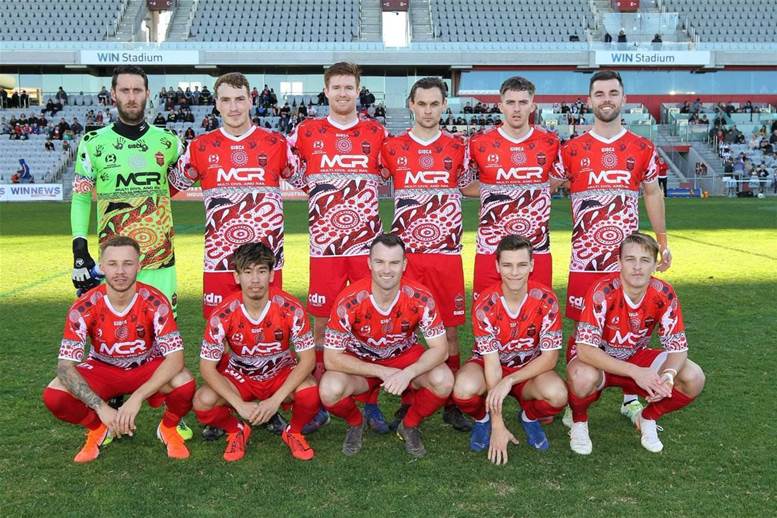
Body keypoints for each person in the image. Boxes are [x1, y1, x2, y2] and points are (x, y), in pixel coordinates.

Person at [552, 70, 671, 426]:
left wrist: (662, 243)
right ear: (589, 100)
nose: (606, 99)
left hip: (628, 262)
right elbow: (541, 185)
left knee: (631, 327)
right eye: (599, 93)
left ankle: (632, 397)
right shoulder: (570, 150)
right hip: (585, 262)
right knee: (583, 331)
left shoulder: (641, 147)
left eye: (613, 93)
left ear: (623, 98)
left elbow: (652, 193)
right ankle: (579, 400)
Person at [287, 62, 388, 432]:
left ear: (358, 91)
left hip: (366, 249)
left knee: (368, 322)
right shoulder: (305, 132)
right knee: (320, 324)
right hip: (325, 249)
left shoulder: (377, 132)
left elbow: (389, 173)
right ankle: (320, 400)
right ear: (326, 91)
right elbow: (293, 173)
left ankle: (370, 399)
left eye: (350, 87)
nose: (343, 93)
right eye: (337, 87)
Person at [41, 236, 196, 463]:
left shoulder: (155, 301)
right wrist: (101, 409)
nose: (120, 271)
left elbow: (175, 359)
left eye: (128, 263)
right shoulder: (84, 306)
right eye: (112, 264)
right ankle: (97, 428)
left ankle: (168, 428)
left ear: (139, 266)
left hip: (145, 366)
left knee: (185, 383)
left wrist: (136, 398)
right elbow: (65, 367)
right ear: (102, 267)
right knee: (54, 395)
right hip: (103, 369)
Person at [381, 76, 473, 433]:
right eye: (422, 104)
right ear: (411, 105)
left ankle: (450, 402)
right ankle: (409, 400)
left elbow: (469, 187)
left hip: (446, 254)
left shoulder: (458, 148)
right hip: (408, 257)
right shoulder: (392, 147)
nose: (428, 110)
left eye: (435, 104)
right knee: (404, 331)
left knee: (449, 333)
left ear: (444, 106)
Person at [566, 232, 705, 454]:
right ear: (619, 262)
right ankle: (579, 421)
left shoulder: (664, 293)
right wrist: (635, 372)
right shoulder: (602, 291)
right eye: (630, 259)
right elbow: (585, 350)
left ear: (654, 265)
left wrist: (668, 376)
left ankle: (647, 417)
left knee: (694, 377)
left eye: (645, 260)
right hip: (598, 360)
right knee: (582, 377)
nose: (637, 267)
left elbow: (678, 349)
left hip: (635, 355)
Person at [319, 234, 454, 458]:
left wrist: (407, 373)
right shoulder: (349, 300)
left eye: (394, 262)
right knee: (329, 389)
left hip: (405, 358)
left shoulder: (420, 297)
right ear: (369, 263)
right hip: (362, 363)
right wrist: (383, 372)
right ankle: (356, 422)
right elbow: (332, 359)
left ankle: (409, 424)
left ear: (404, 265)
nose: (387, 270)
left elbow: (441, 349)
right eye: (380, 262)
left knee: (444, 380)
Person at [70, 65, 184, 313]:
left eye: (137, 90)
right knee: (115, 336)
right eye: (124, 90)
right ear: (113, 94)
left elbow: (193, 177)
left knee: (164, 338)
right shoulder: (92, 143)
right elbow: (80, 196)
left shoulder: (170, 142)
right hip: (114, 262)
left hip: (159, 259)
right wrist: (79, 248)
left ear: (147, 93)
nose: (131, 97)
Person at [192, 243, 320, 461]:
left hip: (279, 374)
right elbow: (206, 367)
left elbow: (308, 360)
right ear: (237, 276)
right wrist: (239, 404)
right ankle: (237, 430)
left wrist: (275, 400)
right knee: (202, 401)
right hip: (241, 378)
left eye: (261, 271)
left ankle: (294, 432)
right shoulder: (222, 314)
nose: (255, 280)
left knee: (309, 391)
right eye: (248, 272)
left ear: (271, 275)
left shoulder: (291, 308)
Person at [452, 235, 566, 463]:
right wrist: (497, 424)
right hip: (490, 365)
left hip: (528, 368)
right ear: (497, 266)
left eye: (522, 264)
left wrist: (509, 381)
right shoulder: (485, 304)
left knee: (558, 395)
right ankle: (483, 420)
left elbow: (550, 358)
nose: (514, 272)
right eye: (507, 265)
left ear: (532, 265)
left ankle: (528, 416)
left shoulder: (547, 300)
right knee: (463, 389)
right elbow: (492, 363)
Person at [469, 76, 561, 299]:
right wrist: (497, 191)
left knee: (537, 319)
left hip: (536, 249)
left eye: (522, 102)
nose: (517, 109)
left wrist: (527, 190)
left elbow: (555, 182)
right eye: (510, 102)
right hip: (490, 249)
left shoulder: (551, 143)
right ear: (500, 105)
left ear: (532, 105)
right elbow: (464, 184)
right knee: (487, 317)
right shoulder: (479, 143)